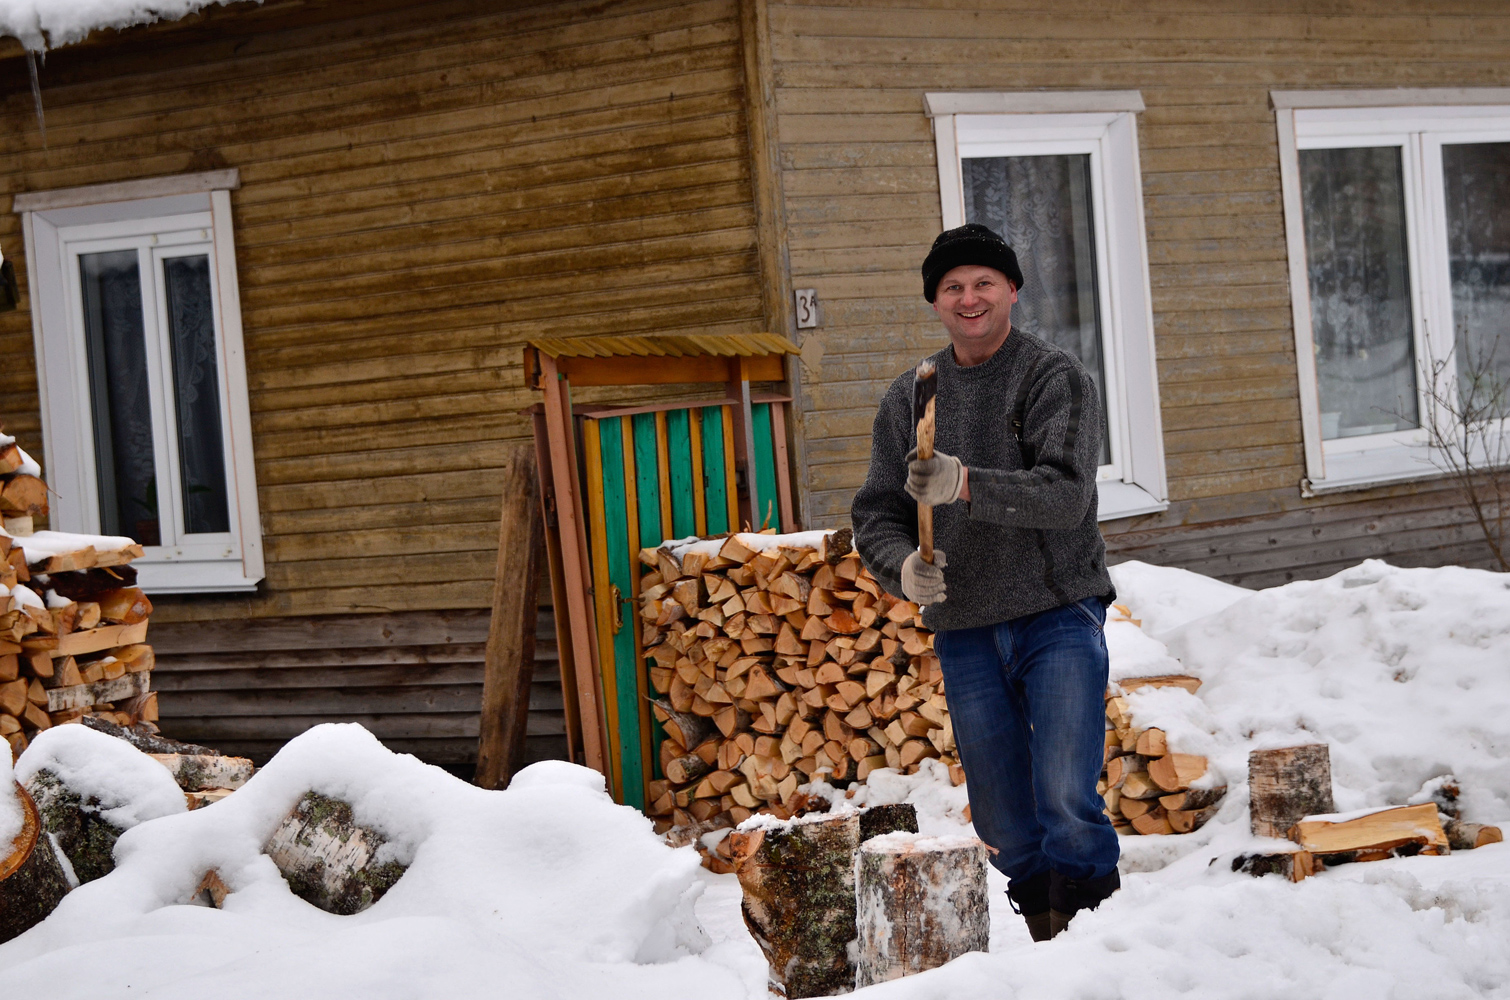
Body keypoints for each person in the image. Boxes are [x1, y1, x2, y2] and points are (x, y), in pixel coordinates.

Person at [850, 223, 1120, 942]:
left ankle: (1096, 937)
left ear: (1012, 292)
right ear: (936, 302)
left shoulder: (1052, 377)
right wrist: (903, 565)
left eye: (983, 283)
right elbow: (876, 511)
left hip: (1056, 610)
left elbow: (1064, 496)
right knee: (1001, 816)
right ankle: (1045, 934)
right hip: (965, 624)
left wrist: (965, 481)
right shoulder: (911, 396)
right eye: (952, 288)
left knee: (1065, 794)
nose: (969, 298)